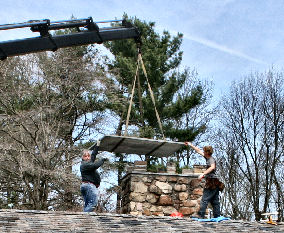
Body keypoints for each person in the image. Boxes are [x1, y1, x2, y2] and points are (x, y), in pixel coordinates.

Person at [185, 142, 222, 219]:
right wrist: (190, 145)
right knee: (215, 201)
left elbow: (212, 167)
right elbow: (198, 151)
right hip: (214, 181)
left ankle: (200, 215)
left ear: (207, 152)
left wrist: (203, 174)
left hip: (212, 182)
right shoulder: (207, 157)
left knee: (205, 199)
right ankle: (217, 216)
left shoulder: (211, 159)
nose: (203, 152)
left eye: (204, 151)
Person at [80, 141, 107, 212]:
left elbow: (93, 155)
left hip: (87, 185)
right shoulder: (85, 165)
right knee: (93, 204)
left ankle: (84, 219)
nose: (88, 157)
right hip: (89, 185)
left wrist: (97, 146)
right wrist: (102, 159)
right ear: (82, 158)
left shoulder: (88, 162)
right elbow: (95, 165)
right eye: (85, 156)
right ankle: (84, 218)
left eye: (88, 156)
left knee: (88, 204)